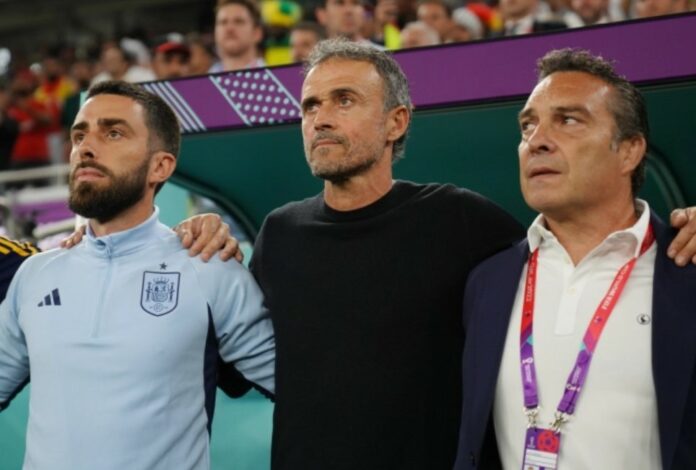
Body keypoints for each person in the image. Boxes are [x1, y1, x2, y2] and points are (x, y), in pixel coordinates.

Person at [182, 39, 696, 470]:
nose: (320, 119)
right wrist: (208, 246)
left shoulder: (460, 219)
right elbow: (241, 362)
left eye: (343, 100)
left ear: (396, 121)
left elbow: (574, 248)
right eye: (310, 106)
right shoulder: (280, 232)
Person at [0, 80, 275, 470]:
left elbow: (305, 392)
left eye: (113, 133)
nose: (86, 148)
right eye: (79, 135)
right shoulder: (35, 275)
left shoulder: (209, 268)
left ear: (160, 166)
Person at [454, 49, 696, 470]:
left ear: (629, 151)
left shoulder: (685, 268)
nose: (537, 140)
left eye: (568, 120)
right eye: (528, 125)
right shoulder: (488, 282)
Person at [210, 0, 265, 73]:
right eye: (223, 22)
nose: (229, 28)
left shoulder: (277, 77)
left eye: (238, 21)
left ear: (257, 33)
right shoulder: (204, 77)